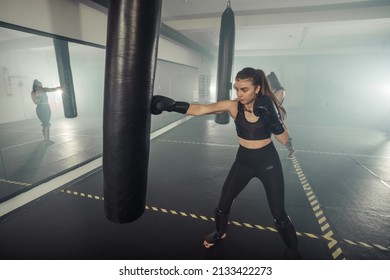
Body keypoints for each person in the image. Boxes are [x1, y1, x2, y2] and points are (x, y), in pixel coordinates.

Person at [151, 67, 300, 259]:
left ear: (257, 88)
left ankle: (292, 247)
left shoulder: (268, 105)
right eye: (236, 88)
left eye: (244, 89)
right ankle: (220, 232)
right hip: (244, 161)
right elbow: (202, 108)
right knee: (223, 204)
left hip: (268, 162)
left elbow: (283, 138)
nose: (239, 94)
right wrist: (171, 105)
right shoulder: (232, 106)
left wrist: (273, 118)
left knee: (278, 213)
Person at [267, 72, 296, 159]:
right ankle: (290, 149)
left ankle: (291, 149)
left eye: (268, 81)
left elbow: (275, 103)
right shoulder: (269, 90)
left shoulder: (280, 90)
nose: (267, 82)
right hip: (270, 112)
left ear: (272, 81)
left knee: (281, 132)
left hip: (278, 113)